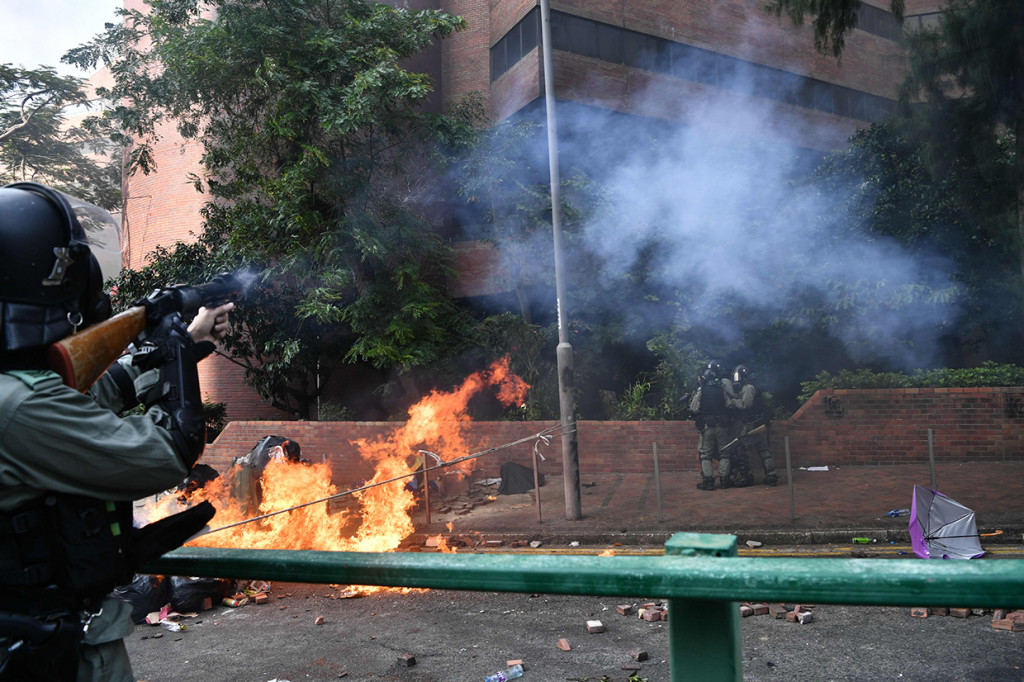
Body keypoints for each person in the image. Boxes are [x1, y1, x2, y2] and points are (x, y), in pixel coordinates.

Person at [0, 182, 233, 681]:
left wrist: (184, 344)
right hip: (53, 650)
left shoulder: (17, 391)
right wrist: (171, 349)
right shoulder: (18, 404)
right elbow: (167, 452)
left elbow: (79, 401)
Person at [728, 364, 778, 486]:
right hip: (759, 422)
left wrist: (734, 401)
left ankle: (747, 477)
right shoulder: (754, 386)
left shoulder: (748, 388)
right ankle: (771, 476)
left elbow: (746, 405)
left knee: (742, 449)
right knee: (763, 450)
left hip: (752, 424)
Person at [689, 360, 735, 490]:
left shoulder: (702, 391)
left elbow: (694, 409)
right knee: (724, 453)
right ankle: (725, 480)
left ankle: (708, 482)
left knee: (705, 455)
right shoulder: (721, 390)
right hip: (722, 426)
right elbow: (729, 405)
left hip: (707, 427)